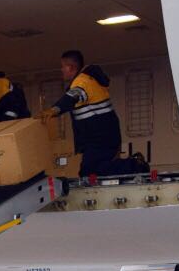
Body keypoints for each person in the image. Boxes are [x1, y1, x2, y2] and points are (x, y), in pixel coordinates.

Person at [41, 50, 145, 178]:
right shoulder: (87, 80)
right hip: (101, 137)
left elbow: (74, 96)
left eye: (63, 66)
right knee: (93, 171)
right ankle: (133, 164)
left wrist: (55, 109)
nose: (61, 69)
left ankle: (135, 165)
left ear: (71, 67)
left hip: (101, 138)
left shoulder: (84, 82)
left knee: (89, 172)